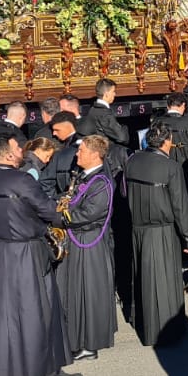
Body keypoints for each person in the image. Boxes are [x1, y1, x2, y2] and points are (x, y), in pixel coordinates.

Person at [0, 126, 82, 376]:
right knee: (40, 311)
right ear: (7, 156)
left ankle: (8, 375)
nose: (21, 152)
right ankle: (49, 374)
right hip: (25, 251)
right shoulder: (21, 180)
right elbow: (49, 210)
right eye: (18, 148)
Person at [124, 124, 188, 346]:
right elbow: (180, 206)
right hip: (162, 230)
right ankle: (166, 333)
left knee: (143, 279)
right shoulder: (170, 167)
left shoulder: (132, 161)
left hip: (137, 229)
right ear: (167, 141)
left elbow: (123, 194)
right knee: (163, 282)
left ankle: (144, 324)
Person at [58, 135, 119, 359]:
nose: (76, 154)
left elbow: (89, 213)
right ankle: (77, 337)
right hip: (78, 239)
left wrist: (58, 218)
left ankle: (89, 344)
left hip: (89, 241)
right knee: (75, 291)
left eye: (81, 150)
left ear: (95, 154)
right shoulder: (84, 176)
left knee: (88, 292)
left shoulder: (101, 182)